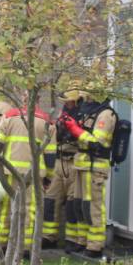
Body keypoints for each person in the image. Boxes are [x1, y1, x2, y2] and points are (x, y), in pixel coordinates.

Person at [60, 93, 117, 258]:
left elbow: (96, 143)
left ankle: (94, 246)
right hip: (81, 164)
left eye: (87, 96)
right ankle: (82, 241)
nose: (84, 99)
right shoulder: (89, 112)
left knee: (93, 207)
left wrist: (76, 129)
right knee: (80, 206)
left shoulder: (106, 114)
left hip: (95, 167)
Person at [0, 104, 50, 252]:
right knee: (29, 209)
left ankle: (0, 245)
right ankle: (26, 247)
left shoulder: (9, 117)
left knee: (5, 208)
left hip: (10, 171)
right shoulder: (46, 121)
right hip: (34, 174)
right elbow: (51, 153)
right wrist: (50, 177)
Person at [41, 90, 83, 249]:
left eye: (69, 101)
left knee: (72, 203)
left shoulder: (82, 115)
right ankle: (49, 237)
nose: (66, 103)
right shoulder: (63, 113)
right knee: (51, 199)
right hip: (59, 162)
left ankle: (72, 239)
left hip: (74, 161)